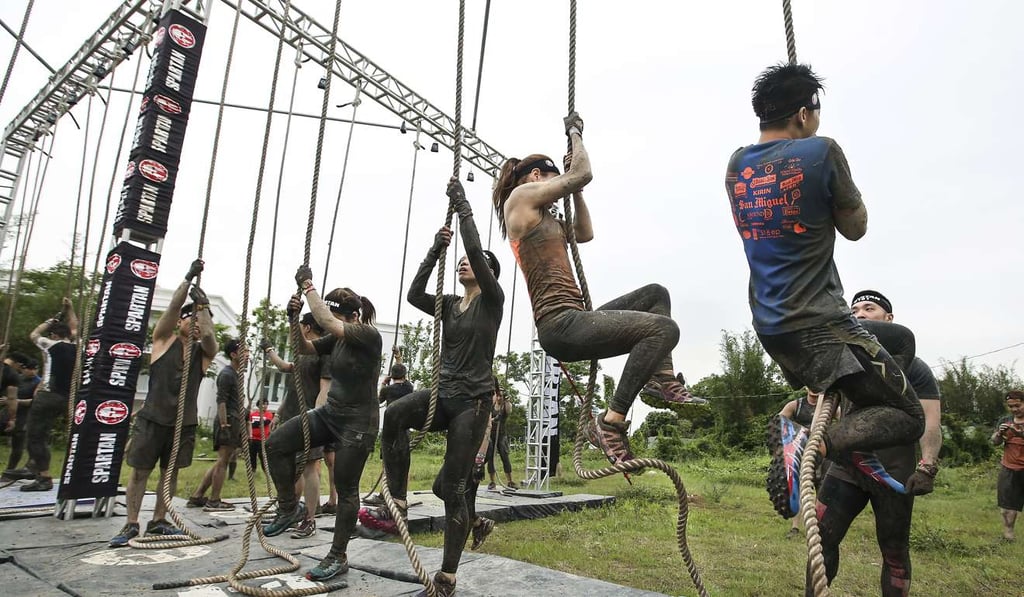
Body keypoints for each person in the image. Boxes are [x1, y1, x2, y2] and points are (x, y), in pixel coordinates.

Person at [725, 64, 924, 500]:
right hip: (821, 323)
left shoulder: (737, 165)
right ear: (803, 113)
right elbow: (856, 228)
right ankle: (814, 444)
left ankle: (857, 445)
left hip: (771, 325)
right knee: (908, 415)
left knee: (899, 339)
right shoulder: (821, 151)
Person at [493, 113, 704, 468]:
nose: (557, 185)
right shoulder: (520, 200)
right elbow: (583, 172)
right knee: (664, 330)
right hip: (560, 327)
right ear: (536, 177)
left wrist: (576, 192)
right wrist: (575, 135)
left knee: (656, 294)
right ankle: (611, 422)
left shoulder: (548, 220)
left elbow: (585, 232)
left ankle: (661, 380)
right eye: (552, 179)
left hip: (579, 318)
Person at [363, 178, 503, 597]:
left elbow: (477, 251)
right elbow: (413, 294)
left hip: (472, 404)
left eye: (470, 262)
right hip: (442, 395)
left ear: (487, 273)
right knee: (396, 414)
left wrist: (463, 208)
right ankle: (399, 499)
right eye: (459, 261)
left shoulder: (492, 299)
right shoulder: (448, 305)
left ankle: (447, 577)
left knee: (451, 490)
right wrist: (434, 251)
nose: (464, 263)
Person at [807, 290, 943, 596]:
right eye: (854, 311)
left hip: (894, 473)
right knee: (821, 540)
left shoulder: (916, 368)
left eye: (869, 308)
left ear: (889, 319)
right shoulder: (843, 366)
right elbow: (826, 411)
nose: (860, 314)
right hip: (846, 467)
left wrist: (927, 466)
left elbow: (931, 425)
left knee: (894, 552)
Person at [263, 274, 381, 582]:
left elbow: (327, 323)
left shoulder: (368, 335)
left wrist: (309, 288)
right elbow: (304, 347)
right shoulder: (336, 339)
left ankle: (337, 555)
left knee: (346, 488)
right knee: (275, 444)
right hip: (330, 414)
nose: (331, 321)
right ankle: (289, 508)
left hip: (358, 423)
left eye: (337, 316)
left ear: (353, 317)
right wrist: (292, 319)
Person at [110, 260, 217, 547]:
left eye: (198, 321)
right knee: (140, 472)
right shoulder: (162, 341)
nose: (194, 325)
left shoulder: (202, 354)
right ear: (181, 322)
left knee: (170, 474)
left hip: (183, 423)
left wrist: (204, 307)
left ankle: (158, 521)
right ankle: (132, 523)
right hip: (153, 419)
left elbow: (210, 339)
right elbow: (171, 309)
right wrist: (188, 278)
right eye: (190, 319)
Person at [261, 312, 331, 538]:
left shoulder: (321, 354)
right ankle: (289, 510)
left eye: (300, 325)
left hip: (309, 418)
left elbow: (324, 390)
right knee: (289, 467)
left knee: (310, 468)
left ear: (308, 328)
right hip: (291, 418)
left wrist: (316, 418)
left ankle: (309, 519)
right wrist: (269, 350)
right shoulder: (302, 354)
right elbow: (283, 368)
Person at [18, 300, 79, 491]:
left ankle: (42, 476)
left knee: (35, 436)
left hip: (48, 395)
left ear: (54, 335)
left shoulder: (50, 344)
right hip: (67, 397)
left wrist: (50, 320)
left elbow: (34, 334)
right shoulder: (77, 346)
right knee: (43, 435)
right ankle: (35, 465)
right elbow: (75, 327)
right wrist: (70, 310)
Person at [187, 338, 247, 511]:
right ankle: (214, 500)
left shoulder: (236, 374)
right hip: (227, 421)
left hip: (233, 420)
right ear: (234, 354)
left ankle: (198, 495)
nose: (248, 355)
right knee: (222, 462)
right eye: (244, 351)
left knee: (222, 460)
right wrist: (224, 424)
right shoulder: (227, 374)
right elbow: (221, 400)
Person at [992, 390, 1024, 541]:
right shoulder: (1005, 420)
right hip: (1009, 468)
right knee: (1007, 506)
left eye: (1018, 405)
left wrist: (1019, 434)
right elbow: (995, 442)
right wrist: (999, 433)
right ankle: (1008, 536)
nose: (1014, 409)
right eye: (1011, 406)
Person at [2, 356, 39, 480]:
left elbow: (35, 401)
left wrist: (16, 401)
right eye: (29, 369)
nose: (32, 371)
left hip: (25, 414)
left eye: (34, 369)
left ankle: (9, 472)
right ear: (22, 369)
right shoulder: (16, 378)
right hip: (8, 412)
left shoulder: (39, 382)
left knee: (18, 444)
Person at [485, 382, 516, 490]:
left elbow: (509, 410)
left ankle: (510, 481)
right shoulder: (491, 405)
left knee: (505, 457)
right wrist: (493, 420)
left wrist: (507, 401)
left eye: (500, 396)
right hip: (491, 435)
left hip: (501, 435)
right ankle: (492, 481)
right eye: (497, 395)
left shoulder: (505, 406)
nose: (498, 397)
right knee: (490, 458)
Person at [248, 399, 274, 476]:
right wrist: (258, 424)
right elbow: (250, 425)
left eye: (266, 404)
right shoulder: (252, 414)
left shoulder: (268, 414)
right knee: (252, 455)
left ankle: (266, 472)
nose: (265, 406)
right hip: (253, 439)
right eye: (263, 404)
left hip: (262, 439)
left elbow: (267, 422)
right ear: (258, 405)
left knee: (263, 456)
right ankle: (253, 471)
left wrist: (256, 424)